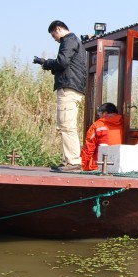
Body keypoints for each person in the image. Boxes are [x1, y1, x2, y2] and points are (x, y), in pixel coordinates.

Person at [34, 20, 87, 172]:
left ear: (58, 29)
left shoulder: (68, 40)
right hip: (74, 87)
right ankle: (69, 161)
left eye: (54, 36)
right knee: (67, 124)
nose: (55, 39)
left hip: (68, 87)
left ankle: (73, 162)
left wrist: (46, 63)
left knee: (66, 125)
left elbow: (62, 62)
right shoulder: (75, 41)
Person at [80, 103, 124, 171]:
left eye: (99, 114)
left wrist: (82, 164)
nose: (99, 116)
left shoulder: (98, 125)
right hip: (119, 165)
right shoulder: (124, 124)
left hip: (99, 165)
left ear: (105, 113)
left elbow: (89, 148)